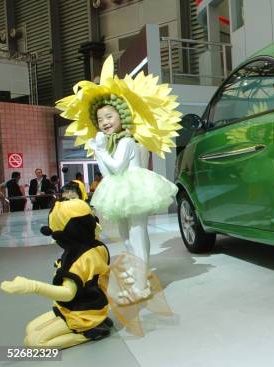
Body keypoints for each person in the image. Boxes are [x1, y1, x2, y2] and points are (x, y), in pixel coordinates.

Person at [56, 55, 181, 304]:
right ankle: (137, 276)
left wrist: (101, 149)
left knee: (136, 231)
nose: (104, 123)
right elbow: (106, 169)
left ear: (121, 116)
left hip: (133, 187)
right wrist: (100, 149)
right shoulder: (111, 142)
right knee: (126, 233)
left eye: (109, 117)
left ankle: (142, 282)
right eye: (101, 120)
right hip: (119, 186)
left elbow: (115, 166)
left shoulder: (126, 141)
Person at [0, 199, 113, 348]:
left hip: (82, 312)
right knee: (30, 328)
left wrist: (32, 286)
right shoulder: (96, 245)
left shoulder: (78, 258)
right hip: (82, 305)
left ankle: (89, 332)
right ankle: (97, 322)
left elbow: (68, 293)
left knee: (33, 342)